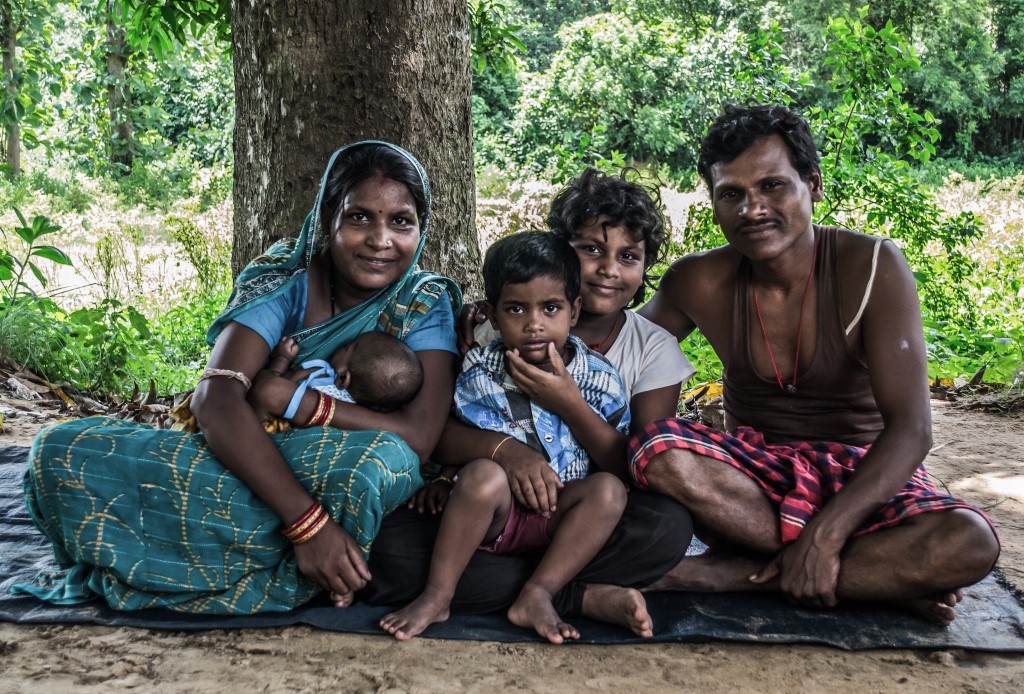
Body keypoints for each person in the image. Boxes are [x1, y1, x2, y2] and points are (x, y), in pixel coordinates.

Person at [17, 142, 462, 614]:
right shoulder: (285, 277)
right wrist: (306, 524)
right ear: (327, 218)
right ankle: (311, 551)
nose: (380, 239)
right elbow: (216, 397)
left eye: (401, 221)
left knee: (379, 462)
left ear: (421, 227)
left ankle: (178, 543)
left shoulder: (423, 302)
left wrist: (301, 403)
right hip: (253, 456)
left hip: (338, 467)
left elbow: (417, 438)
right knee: (60, 449)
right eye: (359, 218)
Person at [630, 104, 1000, 625]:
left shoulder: (872, 266)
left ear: (814, 185)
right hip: (750, 487)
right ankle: (875, 581)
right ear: (713, 203)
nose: (752, 209)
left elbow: (913, 431)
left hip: (860, 479)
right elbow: (615, 356)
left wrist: (827, 535)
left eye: (773, 186)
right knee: (659, 449)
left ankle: (731, 575)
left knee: (970, 542)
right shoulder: (698, 280)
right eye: (731, 194)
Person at [362, 167, 696, 635]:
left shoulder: (649, 350)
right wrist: (500, 453)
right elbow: (441, 428)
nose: (607, 269)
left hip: (576, 516)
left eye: (629, 256)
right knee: (391, 549)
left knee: (667, 527)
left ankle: (544, 590)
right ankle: (575, 594)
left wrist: (570, 404)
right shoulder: (487, 337)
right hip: (490, 509)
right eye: (592, 249)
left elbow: (639, 471)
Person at [380, 231, 633, 643]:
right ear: (494, 317)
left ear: (574, 310)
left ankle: (538, 592)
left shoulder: (600, 380)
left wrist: (571, 403)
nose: (534, 324)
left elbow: (622, 465)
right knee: (482, 477)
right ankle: (438, 595)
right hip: (494, 520)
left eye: (551, 308)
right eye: (516, 309)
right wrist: (449, 476)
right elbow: (448, 436)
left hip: (564, 523)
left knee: (609, 493)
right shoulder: (480, 370)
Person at [267, 331, 423, 414]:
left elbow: (276, 384)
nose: (342, 346)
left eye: (347, 347)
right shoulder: (357, 414)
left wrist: (282, 358)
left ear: (343, 379)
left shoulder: (318, 372)